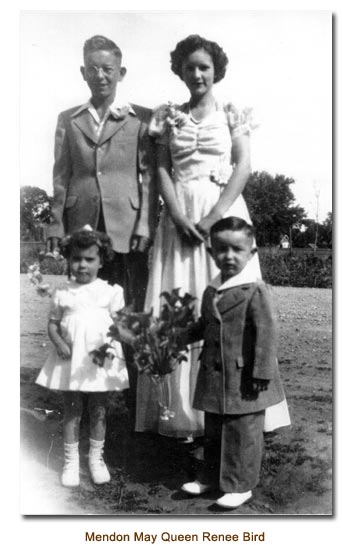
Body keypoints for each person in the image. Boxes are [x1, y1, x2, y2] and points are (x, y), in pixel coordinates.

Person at [135, 34, 262, 439]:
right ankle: (181, 416)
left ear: (216, 70)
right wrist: (174, 214)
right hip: (178, 220)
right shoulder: (168, 115)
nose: (197, 74)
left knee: (225, 304)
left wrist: (213, 218)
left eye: (204, 66)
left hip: (221, 217)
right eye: (189, 67)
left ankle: (235, 408)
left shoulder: (232, 111)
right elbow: (161, 170)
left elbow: (242, 166)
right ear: (180, 71)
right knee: (180, 304)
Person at [46, 35, 158, 422]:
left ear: (121, 72)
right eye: (92, 68)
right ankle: (86, 402)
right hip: (82, 232)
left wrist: (146, 221)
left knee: (127, 316)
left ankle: (133, 411)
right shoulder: (69, 119)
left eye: (107, 68)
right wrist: (55, 222)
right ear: (83, 72)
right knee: (84, 316)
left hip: (127, 231)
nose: (100, 75)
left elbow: (147, 176)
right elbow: (61, 175)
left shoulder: (141, 118)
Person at [181, 217, 290, 509]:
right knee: (214, 429)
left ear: (251, 254)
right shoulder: (211, 290)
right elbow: (204, 325)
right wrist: (176, 339)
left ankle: (240, 485)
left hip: (246, 378)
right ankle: (212, 477)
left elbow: (267, 334)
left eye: (237, 250)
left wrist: (262, 372)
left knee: (242, 432)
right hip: (215, 376)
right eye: (221, 249)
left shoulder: (255, 290)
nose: (228, 256)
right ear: (211, 253)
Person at [36, 228, 129, 487]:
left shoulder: (112, 291)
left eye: (89, 259)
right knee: (72, 410)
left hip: (99, 361)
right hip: (70, 359)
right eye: (76, 258)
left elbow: (120, 326)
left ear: (101, 261)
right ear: (68, 259)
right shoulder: (62, 292)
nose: (82, 264)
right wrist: (58, 342)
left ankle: (96, 460)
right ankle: (71, 462)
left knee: (99, 409)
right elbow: (53, 325)